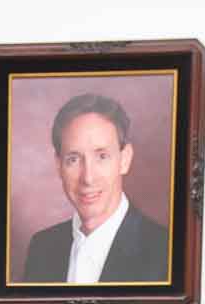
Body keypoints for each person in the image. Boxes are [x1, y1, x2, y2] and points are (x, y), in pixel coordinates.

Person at [23, 93, 170, 285]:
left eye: (102, 156)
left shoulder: (166, 251)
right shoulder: (41, 249)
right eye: (73, 159)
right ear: (58, 166)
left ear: (124, 160)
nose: (88, 178)